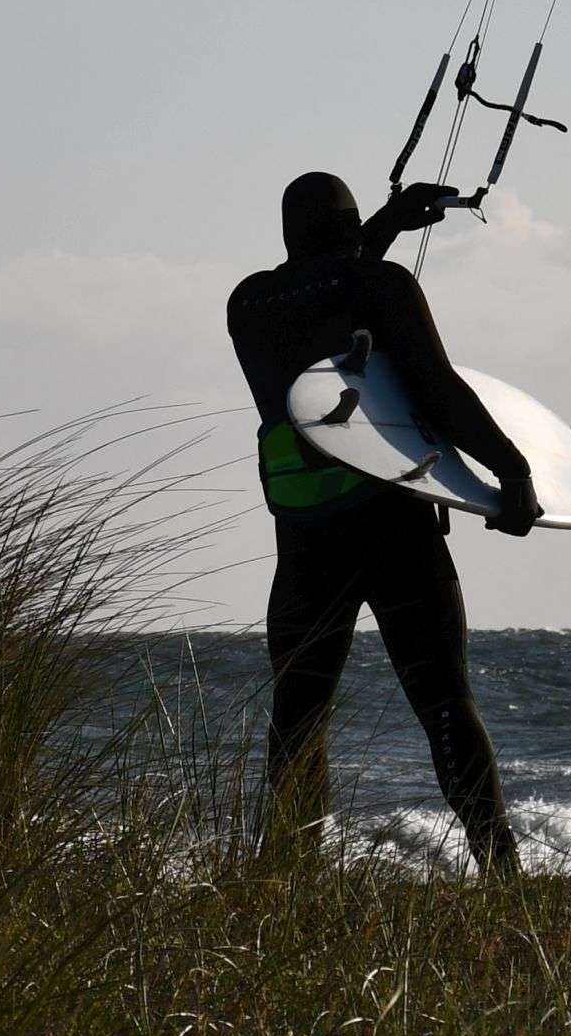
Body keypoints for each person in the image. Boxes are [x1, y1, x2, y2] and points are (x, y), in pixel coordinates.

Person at [228, 167, 538, 871]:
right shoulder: (383, 285)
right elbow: (436, 387)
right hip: (392, 523)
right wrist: (511, 471)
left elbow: (323, 291)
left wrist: (386, 225)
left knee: (300, 710)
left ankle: (284, 872)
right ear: (350, 226)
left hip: (305, 535)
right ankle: (499, 865)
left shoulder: (250, 303)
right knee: (445, 703)